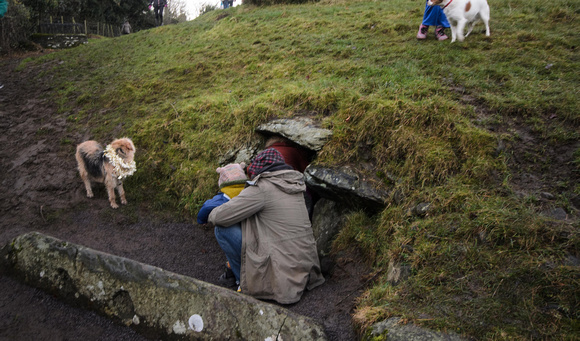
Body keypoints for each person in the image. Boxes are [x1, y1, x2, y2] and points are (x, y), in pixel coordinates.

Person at [208, 149, 325, 304]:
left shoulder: (262, 188)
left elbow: (217, 217)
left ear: (258, 170)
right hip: (306, 268)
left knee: (223, 229)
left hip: (282, 274)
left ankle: (241, 283)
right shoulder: (294, 186)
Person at [197, 163, 248, 290]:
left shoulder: (223, 198)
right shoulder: (249, 193)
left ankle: (240, 280)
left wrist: (201, 220)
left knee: (221, 230)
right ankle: (232, 270)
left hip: (239, 236)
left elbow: (207, 207)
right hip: (251, 232)